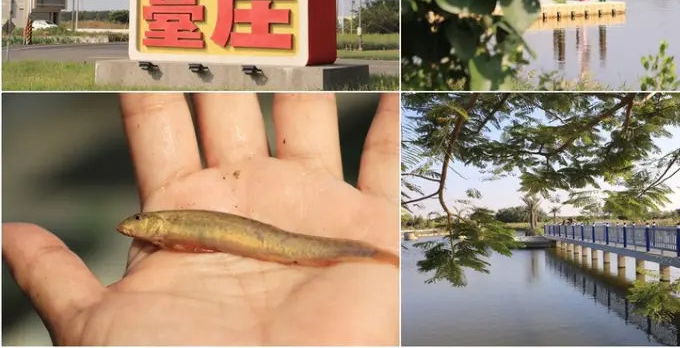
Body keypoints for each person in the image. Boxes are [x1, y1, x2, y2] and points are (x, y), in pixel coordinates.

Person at [2, 93, 399, 346]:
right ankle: (370, 253)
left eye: (139, 220)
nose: (131, 226)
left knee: (302, 248)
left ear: (154, 221)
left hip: (283, 245)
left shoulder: (166, 226)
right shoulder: (164, 235)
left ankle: (371, 253)